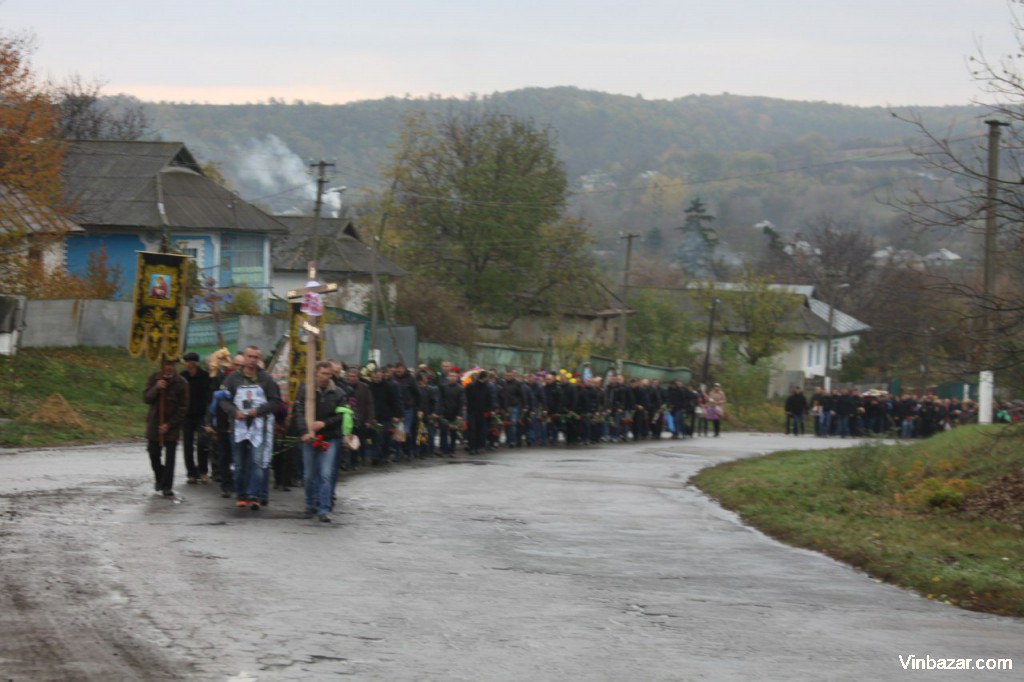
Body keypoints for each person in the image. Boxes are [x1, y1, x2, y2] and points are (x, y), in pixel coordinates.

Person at [218, 345, 281, 511]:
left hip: (258, 427)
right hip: (238, 427)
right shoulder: (232, 379)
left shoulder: (266, 379)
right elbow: (223, 400)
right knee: (239, 463)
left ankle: (255, 495)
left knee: (256, 462)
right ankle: (241, 494)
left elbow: (275, 401)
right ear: (244, 358)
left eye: (256, 357)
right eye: (250, 356)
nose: (252, 360)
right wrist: (233, 412)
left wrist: (258, 411)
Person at [294, 361, 349, 522]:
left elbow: (342, 415)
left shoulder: (338, 393)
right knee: (309, 475)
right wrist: (304, 431)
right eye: (323, 374)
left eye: (329, 374)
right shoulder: (305, 390)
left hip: (330, 437)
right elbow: (298, 412)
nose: (326, 377)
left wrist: (324, 423)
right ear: (316, 373)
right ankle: (310, 504)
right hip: (309, 437)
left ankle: (324, 508)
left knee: (326, 474)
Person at [142, 357, 189, 497]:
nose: (169, 367)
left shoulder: (181, 383)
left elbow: (183, 408)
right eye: (167, 364)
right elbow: (146, 398)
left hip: (171, 426)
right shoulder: (154, 378)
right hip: (155, 424)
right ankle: (159, 477)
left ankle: (167, 486)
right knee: (153, 452)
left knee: (170, 458)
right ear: (162, 364)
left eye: (172, 364)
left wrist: (169, 425)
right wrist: (156, 388)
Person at [179, 351, 211, 484]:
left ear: (192, 363)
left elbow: (209, 395)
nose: (185, 364)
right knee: (187, 444)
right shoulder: (182, 377)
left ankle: (203, 472)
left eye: (186, 362)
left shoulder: (205, 376)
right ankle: (191, 473)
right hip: (186, 416)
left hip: (201, 415)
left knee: (202, 444)